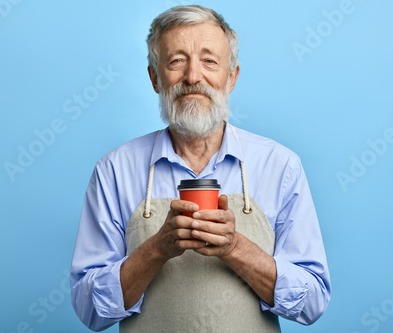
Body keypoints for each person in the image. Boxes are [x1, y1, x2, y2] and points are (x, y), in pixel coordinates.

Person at [70, 5, 331, 332]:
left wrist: (236, 247)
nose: (193, 77)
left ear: (231, 77)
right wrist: (157, 248)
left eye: (209, 61)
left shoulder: (280, 166)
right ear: (155, 78)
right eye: (177, 61)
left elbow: (312, 302)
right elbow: (89, 309)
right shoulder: (114, 170)